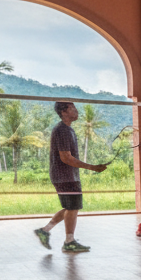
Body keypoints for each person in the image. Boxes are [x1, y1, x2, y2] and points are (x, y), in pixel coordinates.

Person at [33, 102, 109, 253]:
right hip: (65, 176)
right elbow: (66, 158)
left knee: (70, 207)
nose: (76, 110)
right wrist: (92, 167)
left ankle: (45, 230)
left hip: (67, 176)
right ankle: (69, 242)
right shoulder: (62, 130)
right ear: (64, 111)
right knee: (73, 207)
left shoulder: (67, 130)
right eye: (72, 108)